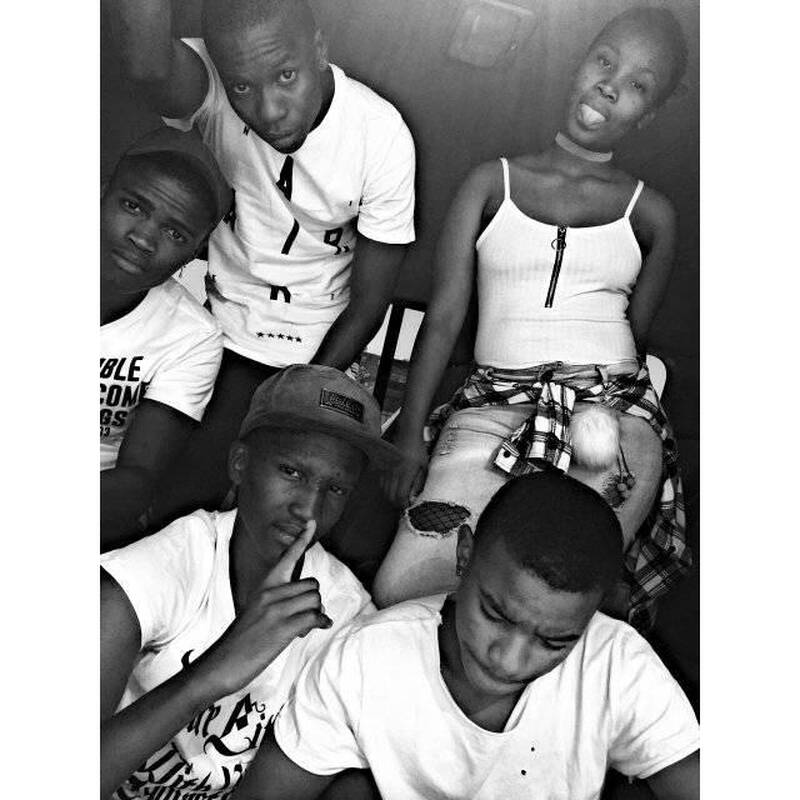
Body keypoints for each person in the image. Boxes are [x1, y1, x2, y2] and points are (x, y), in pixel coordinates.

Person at [374, 6, 692, 630]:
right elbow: (444, 318)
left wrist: (606, 417)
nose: (610, 87)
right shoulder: (489, 183)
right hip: (491, 405)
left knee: (558, 592)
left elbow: (636, 336)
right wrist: (410, 434)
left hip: (610, 415)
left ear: (648, 113)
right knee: (402, 591)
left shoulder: (652, 213)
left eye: (637, 85)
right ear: (579, 64)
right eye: (605, 62)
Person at [107, 0, 416, 519]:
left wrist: (297, 394)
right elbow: (145, 64)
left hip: (320, 349)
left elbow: (368, 305)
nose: (269, 110)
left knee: (310, 510)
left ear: (319, 49)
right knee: (174, 506)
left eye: (286, 76)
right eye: (243, 87)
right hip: (219, 334)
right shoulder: (212, 89)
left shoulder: (380, 133)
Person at [234, 471, 700, 800]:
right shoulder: (365, 659)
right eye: (495, 614)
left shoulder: (617, 663)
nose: (509, 660)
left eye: (554, 642)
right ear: (464, 555)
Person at [101, 365, 399, 800]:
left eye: (335, 489)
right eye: (292, 472)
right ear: (240, 464)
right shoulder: (157, 571)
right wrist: (215, 672)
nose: (308, 509)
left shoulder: (347, 614)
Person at [101, 126, 230, 549]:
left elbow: (137, 482)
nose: (143, 238)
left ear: (195, 251)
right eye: (133, 206)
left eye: (175, 234)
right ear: (101, 192)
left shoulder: (192, 336)